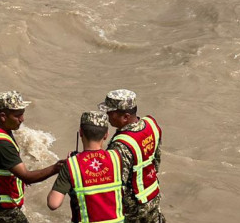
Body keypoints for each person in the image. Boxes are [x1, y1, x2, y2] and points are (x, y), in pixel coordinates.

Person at [0, 91, 64, 223]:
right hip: (1, 209)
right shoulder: (1, 144)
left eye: (22, 113)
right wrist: (56, 168)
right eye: (18, 115)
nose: (22, 119)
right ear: (3, 116)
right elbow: (26, 176)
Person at [99, 90, 164, 223]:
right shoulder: (151, 124)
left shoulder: (121, 145)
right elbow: (156, 160)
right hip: (153, 196)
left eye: (111, 113)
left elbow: (117, 185)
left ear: (125, 117)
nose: (107, 116)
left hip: (134, 207)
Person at [47, 111, 124, 223]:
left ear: (81, 133)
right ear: (106, 135)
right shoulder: (116, 157)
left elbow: (53, 203)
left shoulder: (72, 165)